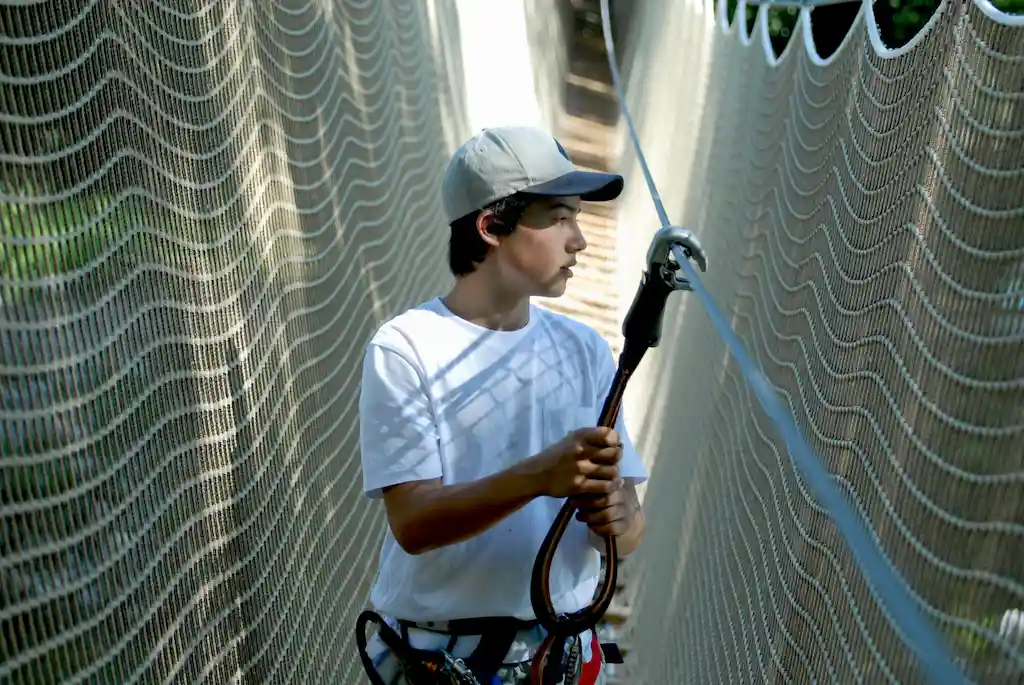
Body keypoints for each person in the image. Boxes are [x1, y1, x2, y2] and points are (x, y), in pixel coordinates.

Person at [357, 125, 648, 684]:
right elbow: (413, 521)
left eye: (578, 219)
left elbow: (628, 526)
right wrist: (539, 476)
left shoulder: (585, 350)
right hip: (439, 659)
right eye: (559, 216)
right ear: (492, 226)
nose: (579, 240)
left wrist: (622, 516)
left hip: (562, 655)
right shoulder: (406, 347)